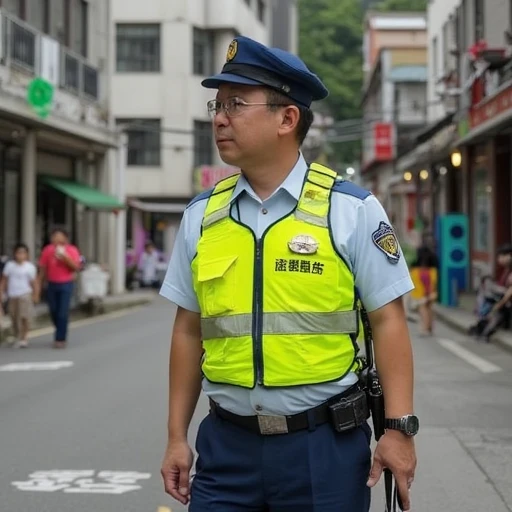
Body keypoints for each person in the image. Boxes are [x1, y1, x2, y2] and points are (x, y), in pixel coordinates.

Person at [159, 36, 418, 512]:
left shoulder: (351, 209)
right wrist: (177, 436)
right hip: (225, 450)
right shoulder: (201, 216)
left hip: (324, 450)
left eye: (235, 103)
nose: (218, 117)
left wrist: (399, 430)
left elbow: (388, 320)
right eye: (217, 104)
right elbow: (188, 328)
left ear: (287, 118)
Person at [37, 228, 82, 349]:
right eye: (54, 236)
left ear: (65, 238)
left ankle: (60, 338)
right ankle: (60, 329)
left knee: (62, 312)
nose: (56, 238)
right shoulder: (48, 250)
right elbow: (42, 269)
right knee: (53, 311)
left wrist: (65, 257)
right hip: (51, 284)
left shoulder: (71, 250)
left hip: (66, 284)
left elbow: (76, 267)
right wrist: (38, 287)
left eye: (59, 236)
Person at [469, 244, 512, 342]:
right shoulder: (506, 270)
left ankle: (485, 331)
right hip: (505, 300)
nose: (499, 259)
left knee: (498, 310)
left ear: (510, 255)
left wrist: (500, 304)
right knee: (485, 299)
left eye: (501, 256)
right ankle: (483, 327)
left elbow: (509, 291)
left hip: (507, 303)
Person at [0, 243, 38, 348]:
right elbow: (4, 280)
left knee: (24, 316)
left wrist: (36, 295)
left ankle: (24, 337)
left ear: (26, 254)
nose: (20, 255)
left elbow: (34, 282)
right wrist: (1, 292)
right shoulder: (10, 266)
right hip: (13, 295)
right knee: (14, 317)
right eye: (18, 253)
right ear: (15, 254)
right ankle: (17, 335)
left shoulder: (29, 267)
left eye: (23, 253)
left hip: (25, 294)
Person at [409, 234, 439, 336]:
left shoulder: (417, 269)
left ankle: (424, 328)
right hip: (431, 283)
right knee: (430, 307)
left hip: (421, 289)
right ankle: (430, 327)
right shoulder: (433, 264)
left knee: (422, 308)